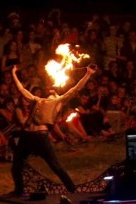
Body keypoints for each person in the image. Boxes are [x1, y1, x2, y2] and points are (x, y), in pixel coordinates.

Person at [9, 63, 98, 196]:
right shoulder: (37, 100)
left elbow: (76, 88)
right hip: (27, 136)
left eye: (55, 92)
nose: (52, 90)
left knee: (55, 166)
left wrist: (88, 74)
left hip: (41, 137)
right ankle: (19, 191)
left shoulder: (58, 100)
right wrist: (13, 73)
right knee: (16, 165)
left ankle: (72, 190)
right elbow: (21, 89)